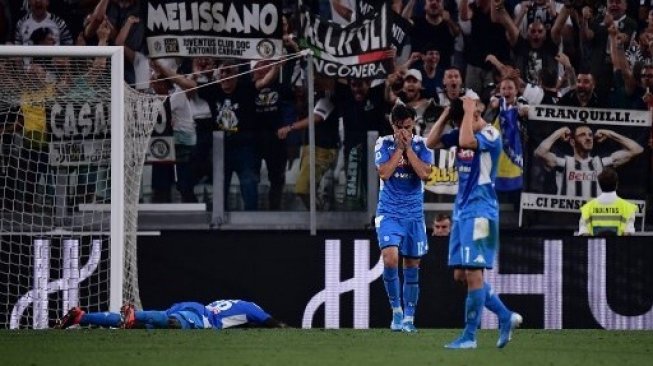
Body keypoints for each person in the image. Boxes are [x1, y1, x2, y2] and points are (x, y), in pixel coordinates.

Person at [425, 97, 522, 349]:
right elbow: (430, 142)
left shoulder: (490, 134)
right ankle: (505, 316)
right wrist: (448, 113)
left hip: (482, 212)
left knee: (473, 272)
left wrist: (468, 112)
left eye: (478, 115)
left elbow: (468, 141)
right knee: (460, 274)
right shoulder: (462, 131)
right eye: (473, 116)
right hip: (461, 212)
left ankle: (469, 337)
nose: (478, 118)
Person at [374, 103, 433, 333]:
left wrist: (408, 150)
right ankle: (396, 312)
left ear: (414, 124)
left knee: (411, 265)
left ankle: (409, 318)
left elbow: (426, 174)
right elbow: (384, 173)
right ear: (393, 125)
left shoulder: (421, 145)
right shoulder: (383, 144)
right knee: (390, 258)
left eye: (408, 128)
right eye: (400, 128)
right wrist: (399, 149)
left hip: (413, 214)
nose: (404, 133)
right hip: (389, 211)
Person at [534, 124, 644, 197]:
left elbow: (637, 149)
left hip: (594, 218)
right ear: (572, 142)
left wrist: (610, 133)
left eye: (590, 135)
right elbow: (539, 153)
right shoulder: (563, 162)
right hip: (567, 218)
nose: (588, 138)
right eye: (582, 135)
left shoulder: (601, 162)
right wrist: (560, 132)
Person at [56, 299, 287, 330]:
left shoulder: (233, 302)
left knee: (131, 325)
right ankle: (136, 314)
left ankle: (80, 316)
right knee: (176, 324)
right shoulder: (252, 308)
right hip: (200, 315)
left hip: (190, 306)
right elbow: (272, 323)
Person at [578, 167, 637, 236]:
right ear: (617, 184)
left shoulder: (587, 208)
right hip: (618, 246)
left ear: (599, 185)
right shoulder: (628, 208)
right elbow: (628, 234)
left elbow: (584, 234)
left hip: (596, 246)